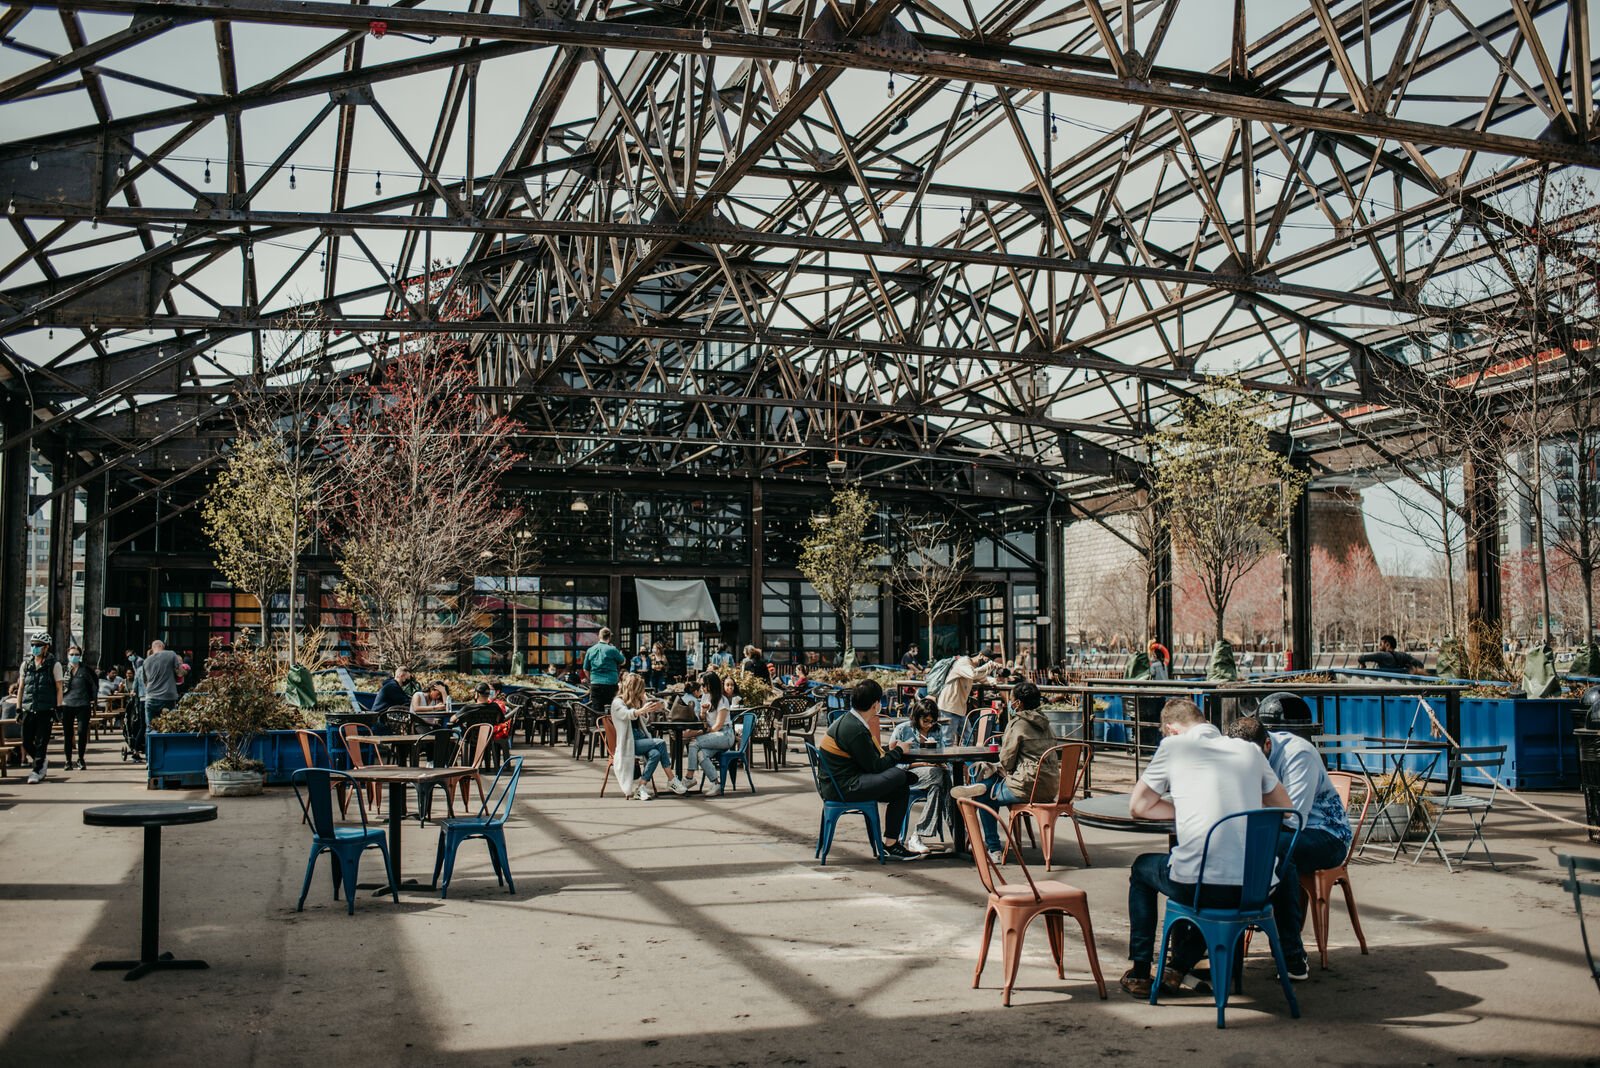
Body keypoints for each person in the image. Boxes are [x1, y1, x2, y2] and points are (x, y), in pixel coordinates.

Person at [1117, 698, 1293, 998]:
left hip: (1200, 886)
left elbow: (1139, 806)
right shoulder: (1250, 751)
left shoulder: (1174, 748)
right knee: (1216, 881)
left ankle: (1141, 972)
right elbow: (1285, 808)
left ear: (1171, 730)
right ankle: (1177, 968)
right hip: (1255, 889)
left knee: (1145, 870)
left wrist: (1186, 809)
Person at [1226, 715, 1353, 981]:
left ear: (1267, 746)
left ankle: (1291, 954)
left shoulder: (1299, 755)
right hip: (1281, 831)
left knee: (1277, 854)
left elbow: (1294, 818)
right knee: (1240, 851)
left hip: (1326, 834)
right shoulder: (1241, 755)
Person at [950, 681, 1059, 865]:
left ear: (1018, 704)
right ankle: (975, 789)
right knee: (990, 784)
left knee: (984, 796)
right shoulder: (1047, 724)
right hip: (1051, 787)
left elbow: (1007, 762)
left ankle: (993, 848)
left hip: (1026, 787)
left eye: (1012, 699)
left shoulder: (1018, 724)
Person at [817, 680, 925, 860]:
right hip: (845, 788)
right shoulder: (855, 729)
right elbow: (875, 766)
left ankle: (891, 844)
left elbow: (870, 759)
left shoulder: (849, 721)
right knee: (898, 776)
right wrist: (899, 750)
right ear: (876, 704)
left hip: (837, 784)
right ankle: (891, 843)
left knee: (900, 787)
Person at [890, 698, 954, 852]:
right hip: (907, 773)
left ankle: (917, 836)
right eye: (925, 721)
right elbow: (892, 761)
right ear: (916, 717)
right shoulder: (902, 730)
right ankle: (959, 834)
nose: (929, 725)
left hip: (933, 775)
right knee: (941, 776)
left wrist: (941, 763)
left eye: (932, 721)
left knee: (938, 785)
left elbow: (943, 753)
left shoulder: (937, 730)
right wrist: (923, 764)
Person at [609, 672, 683, 799]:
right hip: (629, 743)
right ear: (634, 689)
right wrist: (641, 710)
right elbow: (627, 714)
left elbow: (642, 720)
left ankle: (641, 787)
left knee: (655, 754)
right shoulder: (617, 702)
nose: (643, 691)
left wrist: (647, 707)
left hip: (640, 738)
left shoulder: (634, 701)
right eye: (641, 689)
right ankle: (671, 779)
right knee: (660, 743)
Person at [18, 631, 64, 783]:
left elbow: (59, 688)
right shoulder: (26, 664)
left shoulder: (54, 665)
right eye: (33, 645)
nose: (35, 648)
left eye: (38, 645)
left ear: (46, 648)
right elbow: (21, 687)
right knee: (26, 741)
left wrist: (58, 707)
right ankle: (41, 760)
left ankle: (37, 771)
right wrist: (19, 708)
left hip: (46, 709)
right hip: (28, 708)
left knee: (41, 741)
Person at [684, 670, 735, 795]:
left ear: (711, 685)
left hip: (725, 735)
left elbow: (717, 726)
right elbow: (704, 721)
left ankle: (689, 778)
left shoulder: (722, 700)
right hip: (714, 736)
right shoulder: (705, 698)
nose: (702, 688)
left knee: (694, 743)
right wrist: (702, 712)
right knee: (701, 754)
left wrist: (701, 733)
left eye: (704, 685)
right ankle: (716, 783)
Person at [937, 651, 993, 743]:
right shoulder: (963, 662)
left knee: (968, 739)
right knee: (947, 740)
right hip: (949, 707)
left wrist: (994, 680)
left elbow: (982, 678)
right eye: (987, 660)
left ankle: (964, 757)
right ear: (981, 655)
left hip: (960, 709)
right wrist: (988, 666)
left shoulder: (973, 667)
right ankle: (945, 757)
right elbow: (972, 674)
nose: (987, 663)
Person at [58, 644, 96, 772]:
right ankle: (68, 761)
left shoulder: (86, 670)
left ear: (80, 656)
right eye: (72, 654)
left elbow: (94, 684)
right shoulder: (63, 670)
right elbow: (57, 686)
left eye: (76, 654)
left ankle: (80, 758)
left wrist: (93, 699)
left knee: (81, 732)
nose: (74, 657)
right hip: (66, 705)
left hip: (83, 705)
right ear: (67, 656)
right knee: (68, 735)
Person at [138, 639, 184, 740]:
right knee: (170, 726)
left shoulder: (146, 661)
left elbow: (145, 683)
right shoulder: (171, 654)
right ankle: (168, 752)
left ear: (152, 648)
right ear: (163, 647)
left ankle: (150, 753)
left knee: (150, 728)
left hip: (151, 698)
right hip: (168, 697)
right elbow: (180, 673)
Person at [583, 627, 626, 717]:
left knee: (596, 710)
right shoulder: (612, 649)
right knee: (612, 710)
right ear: (609, 637)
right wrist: (620, 653)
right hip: (611, 683)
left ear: (599, 636)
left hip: (596, 683)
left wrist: (591, 679)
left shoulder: (590, 650)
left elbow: (585, 669)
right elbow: (623, 661)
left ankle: (596, 729)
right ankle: (610, 729)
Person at [1357, 635, 1423, 674]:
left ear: (1387, 644)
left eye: (1381, 644)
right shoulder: (1403, 655)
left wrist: (1363, 665)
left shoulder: (1381, 655)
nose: (1379, 646)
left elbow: (1361, 658)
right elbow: (1420, 665)